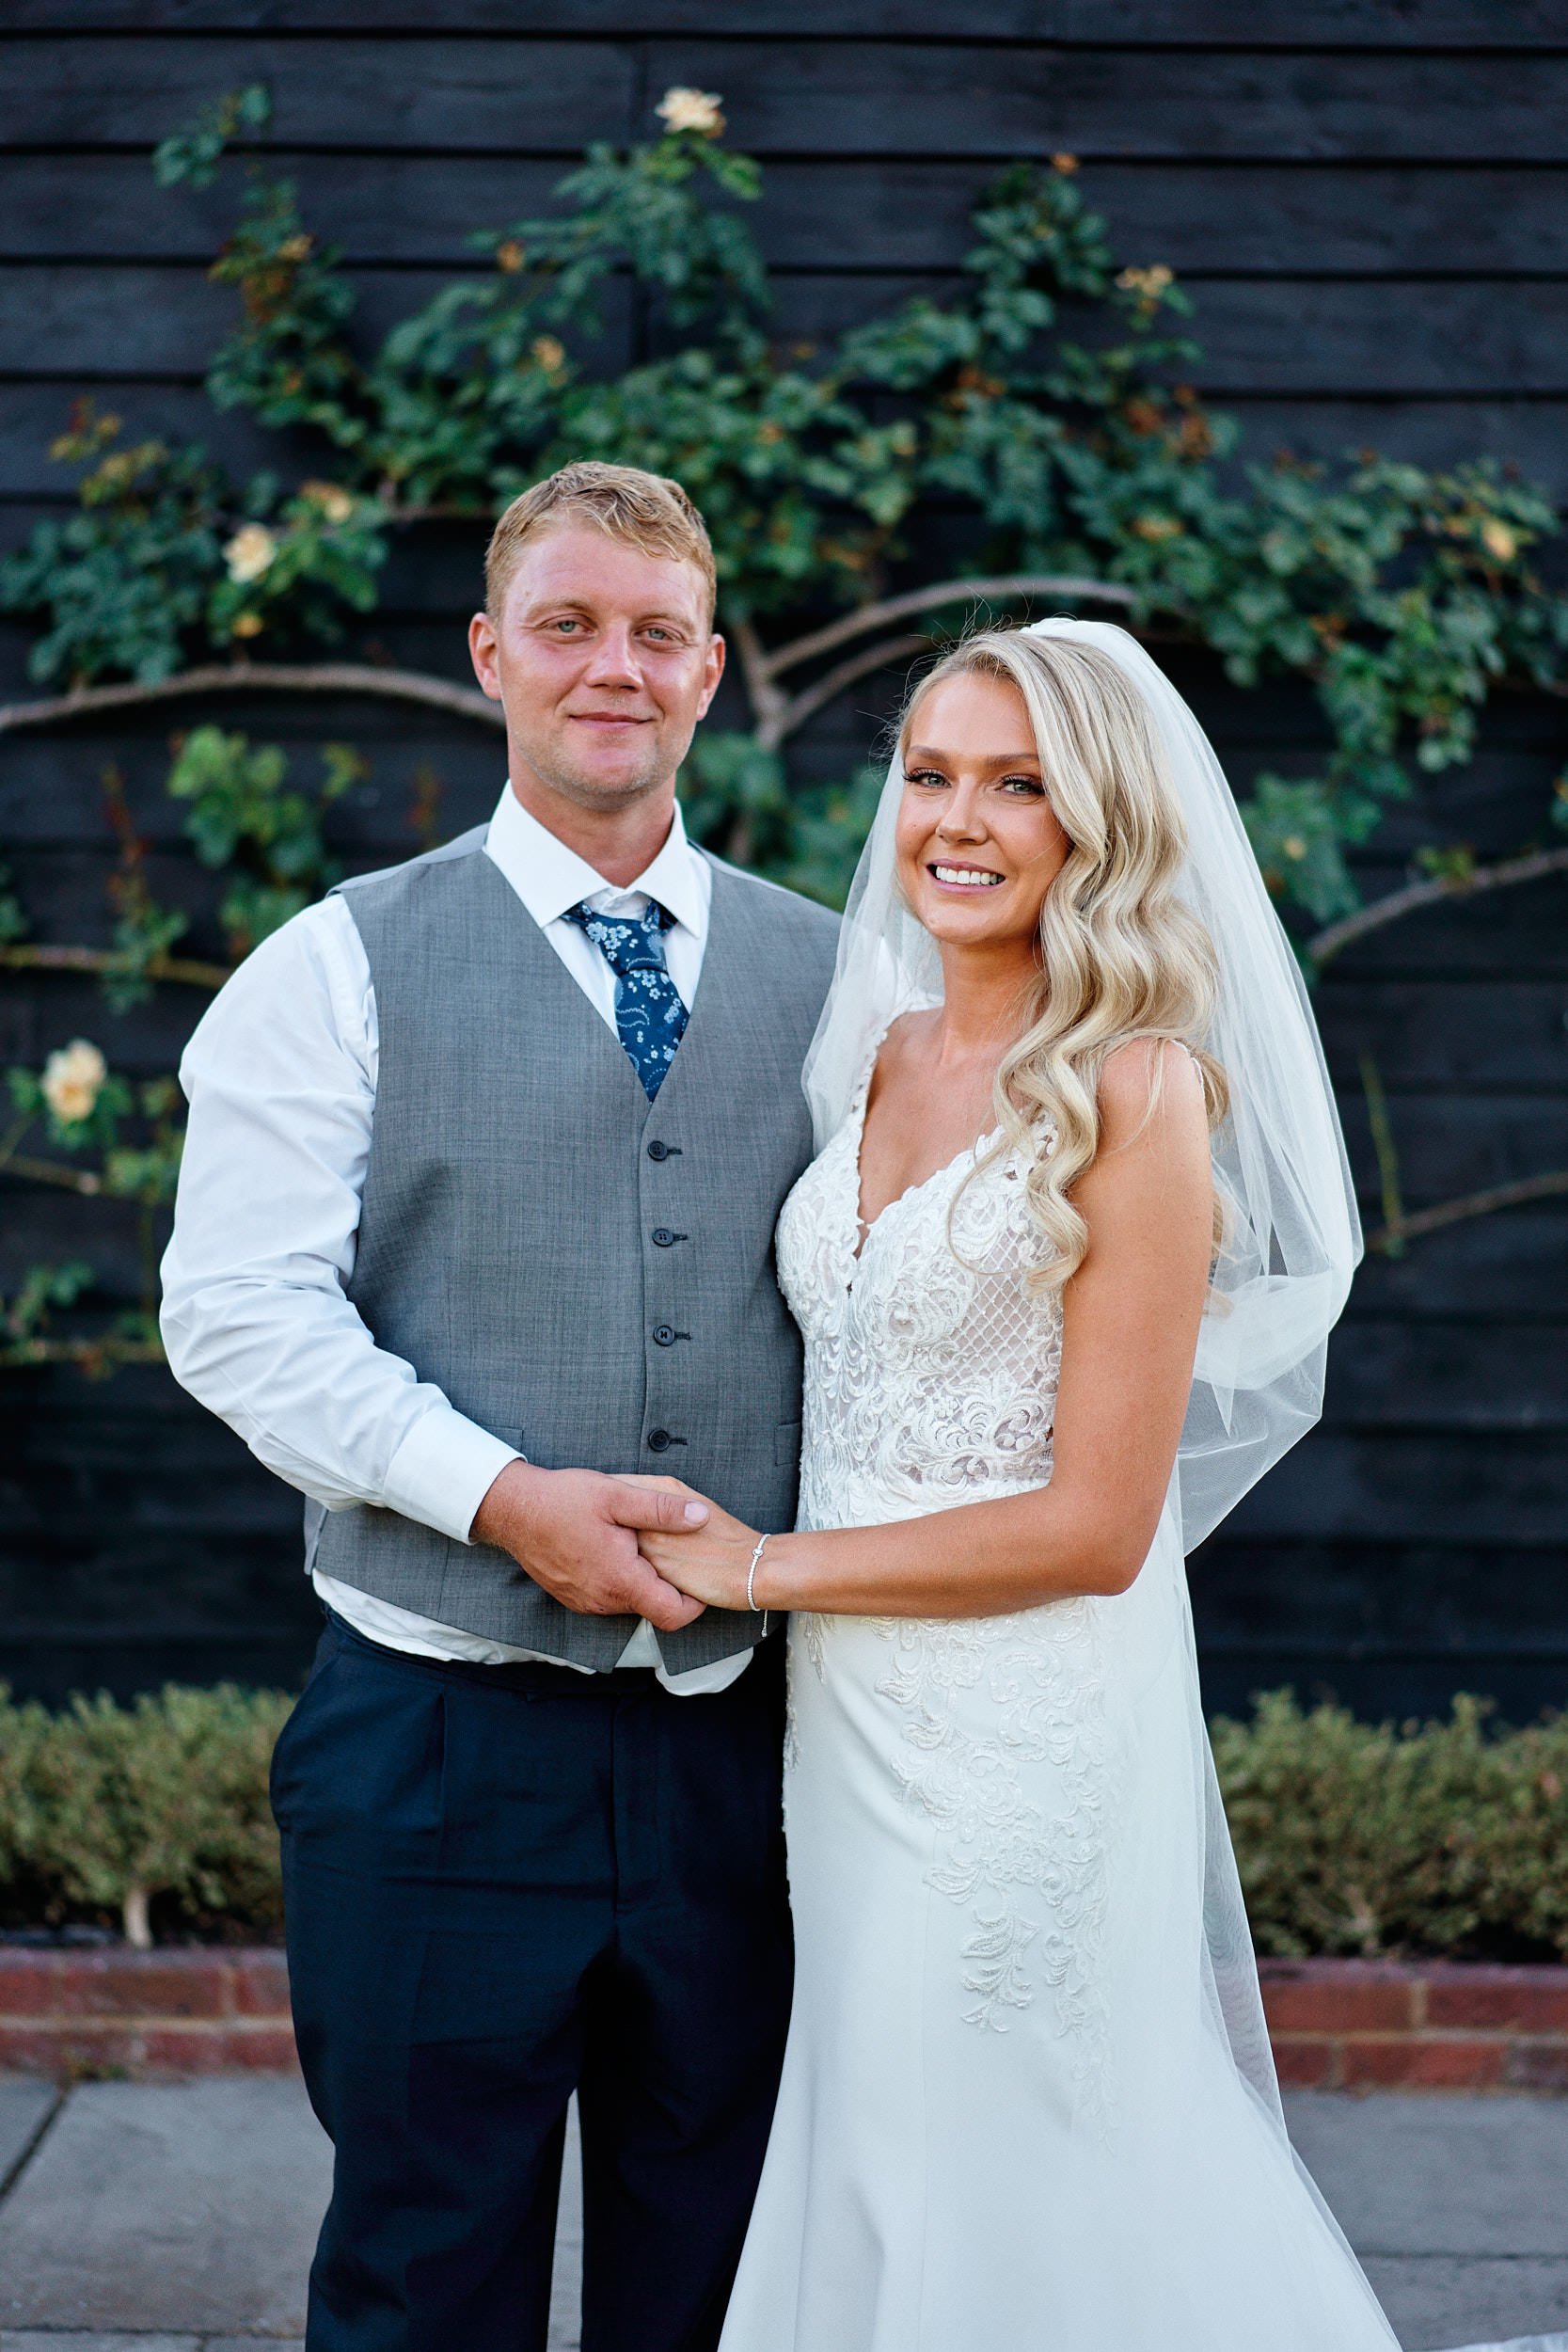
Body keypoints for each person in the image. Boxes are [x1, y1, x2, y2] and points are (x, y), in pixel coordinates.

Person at [639, 621, 1401, 2349]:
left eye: (1021, 782)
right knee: (876, 2128)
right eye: (930, 775)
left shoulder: (1139, 1093)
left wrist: (755, 1569)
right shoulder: (880, 1058)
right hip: (848, 1723)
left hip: (1019, 1737)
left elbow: (1096, 1525)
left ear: (1101, 824)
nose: (956, 822)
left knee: (989, 2140)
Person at [159, 460, 839, 2352]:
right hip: (437, 1741)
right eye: (567, 623)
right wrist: (497, 1493)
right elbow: (237, 1313)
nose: (611, 665)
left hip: (751, 1750)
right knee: (420, 2272)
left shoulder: (847, 974)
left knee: (718, 2274)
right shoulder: (337, 963)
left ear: (708, 669)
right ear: (490, 654)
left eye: (653, 631)